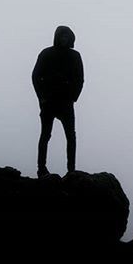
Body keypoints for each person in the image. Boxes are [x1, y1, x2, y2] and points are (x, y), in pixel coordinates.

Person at [32, 26, 84, 177]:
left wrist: (73, 97)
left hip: (66, 102)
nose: (64, 39)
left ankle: (71, 170)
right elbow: (35, 76)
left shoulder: (75, 56)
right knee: (45, 135)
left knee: (70, 136)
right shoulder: (46, 53)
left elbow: (80, 79)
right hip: (48, 102)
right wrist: (41, 97)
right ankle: (41, 168)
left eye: (67, 37)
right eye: (62, 36)